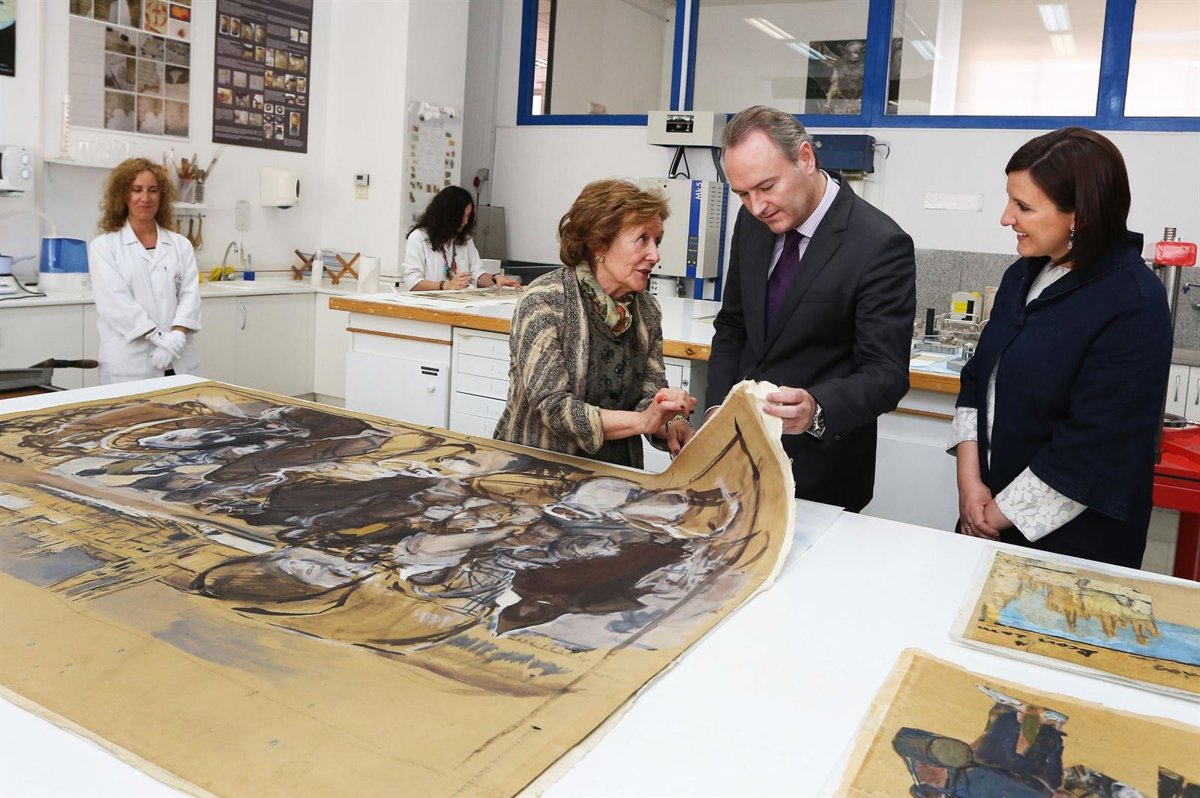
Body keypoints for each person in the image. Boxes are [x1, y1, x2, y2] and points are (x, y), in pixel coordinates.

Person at [950, 127, 1171, 568]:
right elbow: (977, 380)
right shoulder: (1023, 275)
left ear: (1080, 216)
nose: (1006, 218)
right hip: (985, 516)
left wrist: (995, 515)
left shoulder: (1132, 301)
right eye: (1010, 200)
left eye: (1024, 206)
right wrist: (969, 484)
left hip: (1072, 543)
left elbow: (1095, 444)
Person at [706, 105, 916, 512]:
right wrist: (718, 409)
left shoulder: (878, 243)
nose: (756, 206)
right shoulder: (751, 224)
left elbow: (886, 374)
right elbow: (733, 325)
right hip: (739, 462)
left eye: (766, 187)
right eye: (743, 194)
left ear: (805, 158)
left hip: (821, 473)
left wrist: (817, 408)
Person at [493, 179, 696, 468]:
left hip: (617, 476)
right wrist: (642, 420)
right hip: (538, 473)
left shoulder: (647, 311)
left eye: (657, 241)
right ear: (599, 242)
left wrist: (671, 421)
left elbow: (650, 394)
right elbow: (553, 408)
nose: (655, 255)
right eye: (642, 239)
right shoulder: (544, 302)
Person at [89, 157, 201, 385]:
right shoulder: (105, 246)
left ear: (162, 196)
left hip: (178, 359)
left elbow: (190, 296)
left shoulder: (180, 245)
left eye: (153, 190)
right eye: (137, 190)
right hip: (130, 364)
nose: (145, 198)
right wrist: (158, 338)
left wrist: (176, 337)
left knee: (182, 408)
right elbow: (116, 303)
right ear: (124, 195)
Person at [402, 185, 521, 292]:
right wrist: (445, 285)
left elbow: (476, 273)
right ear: (448, 215)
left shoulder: (465, 239)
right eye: (461, 216)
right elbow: (413, 282)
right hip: (430, 304)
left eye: (468, 216)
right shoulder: (419, 237)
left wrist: (495, 278)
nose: (465, 221)